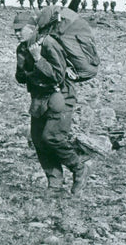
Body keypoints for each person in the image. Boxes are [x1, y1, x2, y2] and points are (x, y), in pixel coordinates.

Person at [13, 11, 89, 196]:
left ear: (31, 28)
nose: (16, 34)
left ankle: (79, 168)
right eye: (14, 30)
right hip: (39, 99)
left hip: (60, 96)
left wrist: (39, 59)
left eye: (19, 30)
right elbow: (21, 77)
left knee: (52, 137)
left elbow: (58, 75)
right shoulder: (22, 48)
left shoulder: (48, 44)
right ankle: (55, 184)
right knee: (39, 141)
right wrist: (27, 67)